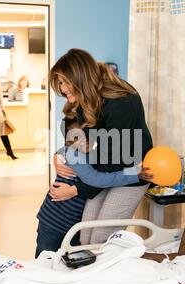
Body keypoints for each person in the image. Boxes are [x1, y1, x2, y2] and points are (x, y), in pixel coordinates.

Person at [48, 48, 153, 245]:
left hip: (131, 172)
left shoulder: (120, 102)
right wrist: (59, 155)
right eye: (60, 83)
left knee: (101, 240)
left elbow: (113, 161)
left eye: (65, 82)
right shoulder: (85, 98)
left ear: (79, 77)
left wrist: (76, 189)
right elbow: (80, 142)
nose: (62, 89)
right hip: (104, 169)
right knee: (86, 236)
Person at [35, 117, 149, 258]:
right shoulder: (75, 156)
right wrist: (134, 173)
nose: (84, 139)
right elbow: (98, 179)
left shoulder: (87, 153)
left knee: (68, 261)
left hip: (72, 224)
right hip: (54, 223)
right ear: (69, 141)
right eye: (77, 137)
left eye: (87, 133)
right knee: (44, 259)